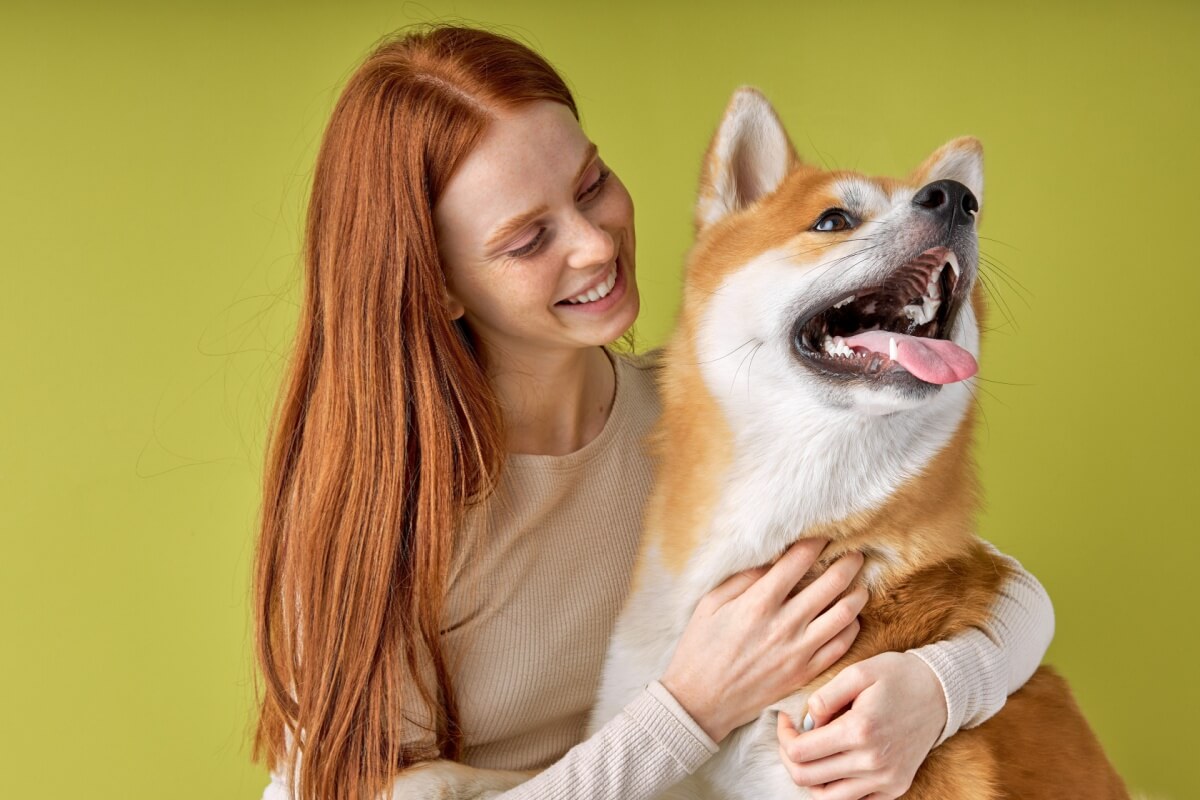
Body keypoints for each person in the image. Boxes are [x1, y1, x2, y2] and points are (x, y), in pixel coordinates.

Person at [253, 25, 1054, 800]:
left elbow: (1003, 591)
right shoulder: (382, 515)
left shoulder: (706, 406)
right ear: (437, 283)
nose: (595, 244)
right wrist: (692, 709)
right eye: (529, 239)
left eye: (592, 185)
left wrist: (936, 687)